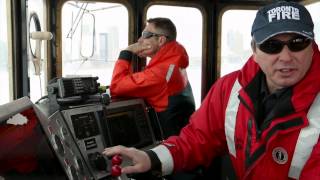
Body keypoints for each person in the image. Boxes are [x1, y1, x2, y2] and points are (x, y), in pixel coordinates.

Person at [103, 1, 320, 179]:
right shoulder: (229, 89)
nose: (285, 57)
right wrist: (152, 158)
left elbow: (117, 86)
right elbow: (197, 138)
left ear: (312, 45)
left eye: (297, 43)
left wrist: (125, 53)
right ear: (254, 50)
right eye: (271, 46)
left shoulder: (164, 70)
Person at [110, 17, 195, 139]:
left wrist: (127, 52)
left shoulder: (160, 73)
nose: (139, 40)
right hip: (180, 138)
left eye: (145, 35)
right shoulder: (174, 63)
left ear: (161, 40)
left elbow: (116, 86)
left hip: (169, 146)